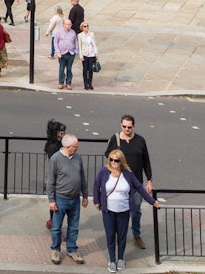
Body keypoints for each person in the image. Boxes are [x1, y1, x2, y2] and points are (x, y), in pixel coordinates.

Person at [93, 150, 160, 272]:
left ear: (121, 161)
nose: (113, 162)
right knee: (110, 235)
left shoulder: (128, 174)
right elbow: (96, 185)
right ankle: (112, 260)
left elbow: (139, 188)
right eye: (111, 160)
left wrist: (152, 201)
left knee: (122, 236)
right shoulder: (104, 171)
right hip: (108, 210)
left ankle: (121, 259)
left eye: (116, 160)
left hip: (124, 210)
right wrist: (96, 201)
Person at [105, 114, 154, 250]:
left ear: (134, 126)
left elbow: (146, 161)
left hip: (136, 182)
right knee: (118, 209)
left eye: (129, 127)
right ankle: (118, 234)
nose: (126, 129)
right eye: (124, 126)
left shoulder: (140, 140)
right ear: (121, 125)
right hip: (120, 183)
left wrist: (149, 180)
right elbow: (108, 155)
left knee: (136, 209)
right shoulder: (115, 139)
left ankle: (136, 235)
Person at [46, 133, 88, 265]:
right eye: (75, 146)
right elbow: (50, 181)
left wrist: (85, 195)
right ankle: (55, 250)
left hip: (75, 199)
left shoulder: (77, 157)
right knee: (57, 227)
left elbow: (82, 176)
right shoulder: (55, 159)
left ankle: (72, 249)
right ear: (67, 146)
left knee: (74, 227)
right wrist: (51, 200)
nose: (77, 149)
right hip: (60, 199)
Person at [44, 119, 68, 229]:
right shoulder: (54, 147)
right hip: (57, 178)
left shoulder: (58, 144)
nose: (63, 134)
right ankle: (54, 224)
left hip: (58, 177)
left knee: (56, 203)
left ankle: (52, 222)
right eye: (61, 132)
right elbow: (57, 162)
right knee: (56, 203)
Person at [52, 19, 78, 90]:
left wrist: (75, 51)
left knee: (69, 69)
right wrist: (58, 52)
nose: (69, 26)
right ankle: (61, 83)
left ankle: (68, 83)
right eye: (67, 24)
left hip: (71, 53)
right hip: (62, 53)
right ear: (64, 25)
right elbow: (55, 42)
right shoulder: (59, 32)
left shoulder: (73, 32)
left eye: (70, 24)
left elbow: (75, 42)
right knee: (61, 69)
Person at [78, 21, 99, 90]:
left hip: (92, 54)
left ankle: (90, 83)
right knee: (85, 69)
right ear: (82, 28)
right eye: (85, 26)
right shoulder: (80, 35)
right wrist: (80, 55)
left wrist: (96, 53)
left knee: (90, 69)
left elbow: (94, 44)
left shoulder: (91, 34)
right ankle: (85, 84)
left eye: (87, 26)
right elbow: (80, 46)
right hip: (85, 54)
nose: (86, 27)